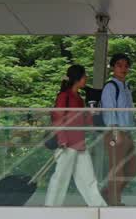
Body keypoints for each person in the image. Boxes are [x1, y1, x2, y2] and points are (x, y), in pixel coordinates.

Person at [45, 65, 107, 207]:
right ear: (77, 79)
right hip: (66, 145)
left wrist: (95, 116)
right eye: (85, 76)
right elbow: (57, 118)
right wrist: (62, 139)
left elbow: (84, 120)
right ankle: (50, 209)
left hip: (79, 144)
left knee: (89, 179)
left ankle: (99, 209)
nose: (86, 79)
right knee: (60, 179)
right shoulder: (64, 96)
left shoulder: (79, 98)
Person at [101, 53, 136, 205]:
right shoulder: (111, 86)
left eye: (126, 65)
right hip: (115, 133)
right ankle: (114, 203)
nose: (123, 68)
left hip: (127, 133)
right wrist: (116, 133)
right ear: (113, 67)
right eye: (119, 65)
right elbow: (109, 111)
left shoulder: (127, 87)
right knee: (117, 170)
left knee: (131, 171)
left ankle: (106, 194)